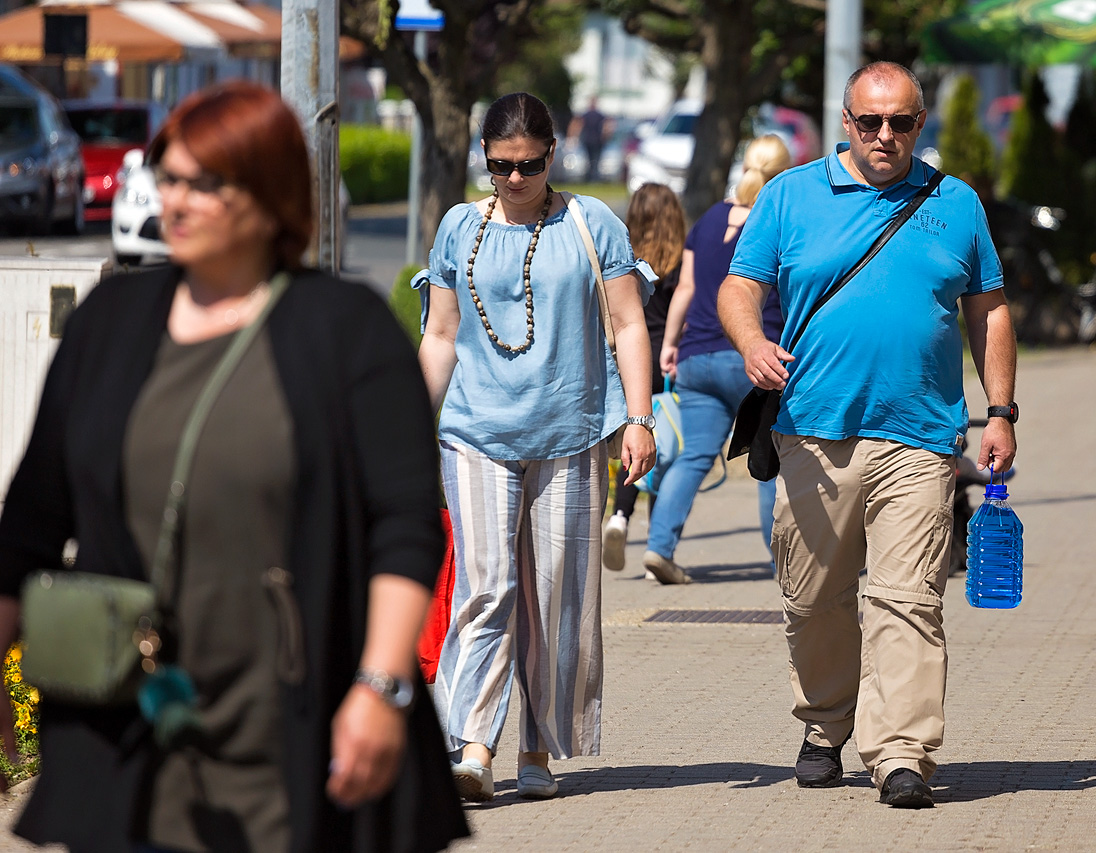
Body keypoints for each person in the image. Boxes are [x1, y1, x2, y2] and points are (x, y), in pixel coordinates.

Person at [0, 80, 468, 852]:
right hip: (129, 720)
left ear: (270, 193)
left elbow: (404, 524)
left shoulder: (346, 333)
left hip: (298, 721)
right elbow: (30, 522)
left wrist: (381, 686)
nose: (174, 200)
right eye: (167, 178)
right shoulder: (109, 325)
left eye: (203, 183)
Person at [718, 61, 1017, 808]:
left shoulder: (956, 204)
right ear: (846, 122)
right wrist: (752, 343)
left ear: (921, 125)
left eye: (903, 122)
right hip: (813, 434)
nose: (886, 136)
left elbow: (989, 312)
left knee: (908, 597)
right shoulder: (791, 195)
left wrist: (1002, 410)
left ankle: (902, 752)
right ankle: (824, 724)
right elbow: (739, 285)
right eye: (871, 121)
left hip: (921, 435)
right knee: (813, 597)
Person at [416, 92, 656, 803]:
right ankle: (472, 746)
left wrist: (639, 417)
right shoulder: (460, 226)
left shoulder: (590, 223)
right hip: (474, 432)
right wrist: (404, 423)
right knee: (485, 586)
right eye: (498, 165)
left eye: (526, 165)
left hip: (571, 430)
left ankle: (536, 747)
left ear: (552, 155)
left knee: (554, 598)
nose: (513, 179)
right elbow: (438, 336)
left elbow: (629, 324)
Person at [637, 135, 792, 585]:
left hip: (696, 358)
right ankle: (781, 564)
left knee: (693, 458)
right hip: (754, 360)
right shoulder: (776, 223)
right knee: (767, 463)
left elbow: (684, 290)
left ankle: (658, 549)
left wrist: (670, 345)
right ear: (782, 175)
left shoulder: (707, 221)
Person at [603, 182, 686, 573]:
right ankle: (659, 537)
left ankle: (619, 517)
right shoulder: (680, 263)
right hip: (668, 364)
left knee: (633, 447)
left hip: (631, 362)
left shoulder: (627, 260)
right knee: (663, 448)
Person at [571, 97, 610, 183]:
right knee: (595, 160)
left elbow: (578, 125)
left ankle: (590, 177)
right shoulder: (600, 115)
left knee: (589, 160)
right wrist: (605, 138)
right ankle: (594, 177)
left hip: (588, 140)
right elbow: (606, 128)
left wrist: (575, 137)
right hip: (597, 141)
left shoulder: (585, 115)